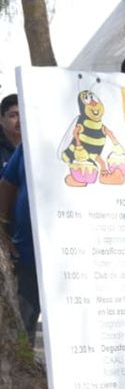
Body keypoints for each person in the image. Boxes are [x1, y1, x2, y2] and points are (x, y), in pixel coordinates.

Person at [0, 133, 38, 339]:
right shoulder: (29, 145)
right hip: (29, 256)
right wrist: (3, 229)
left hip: (82, 257)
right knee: (22, 331)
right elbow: (7, 184)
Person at [0, 94, 20, 169]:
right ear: (1, 119)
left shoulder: (36, 147)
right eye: (13, 115)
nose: (20, 121)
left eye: (23, 114)